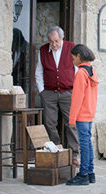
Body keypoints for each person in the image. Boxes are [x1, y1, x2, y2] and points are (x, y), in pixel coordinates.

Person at [35, 26, 79, 165]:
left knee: (71, 123)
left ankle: (73, 155)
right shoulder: (43, 50)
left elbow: (78, 70)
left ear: (62, 38)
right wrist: (42, 91)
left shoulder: (71, 48)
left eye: (56, 41)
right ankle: (56, 150)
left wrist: (76, 90)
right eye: (51, 41)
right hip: (49, 93)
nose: (53, 44)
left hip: (68, 92)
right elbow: (39, 72)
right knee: (49, 122)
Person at [66, 44, 99, 186]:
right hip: (89, 112)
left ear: (79, 56)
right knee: (88, 144)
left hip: (81, 115)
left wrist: (72, 118)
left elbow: (77, 98)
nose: (72, 61)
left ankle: (83, 174)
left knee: (84, 144)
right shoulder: (91, 70)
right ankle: (90, 173)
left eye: (73, 58)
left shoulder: (80, 73)